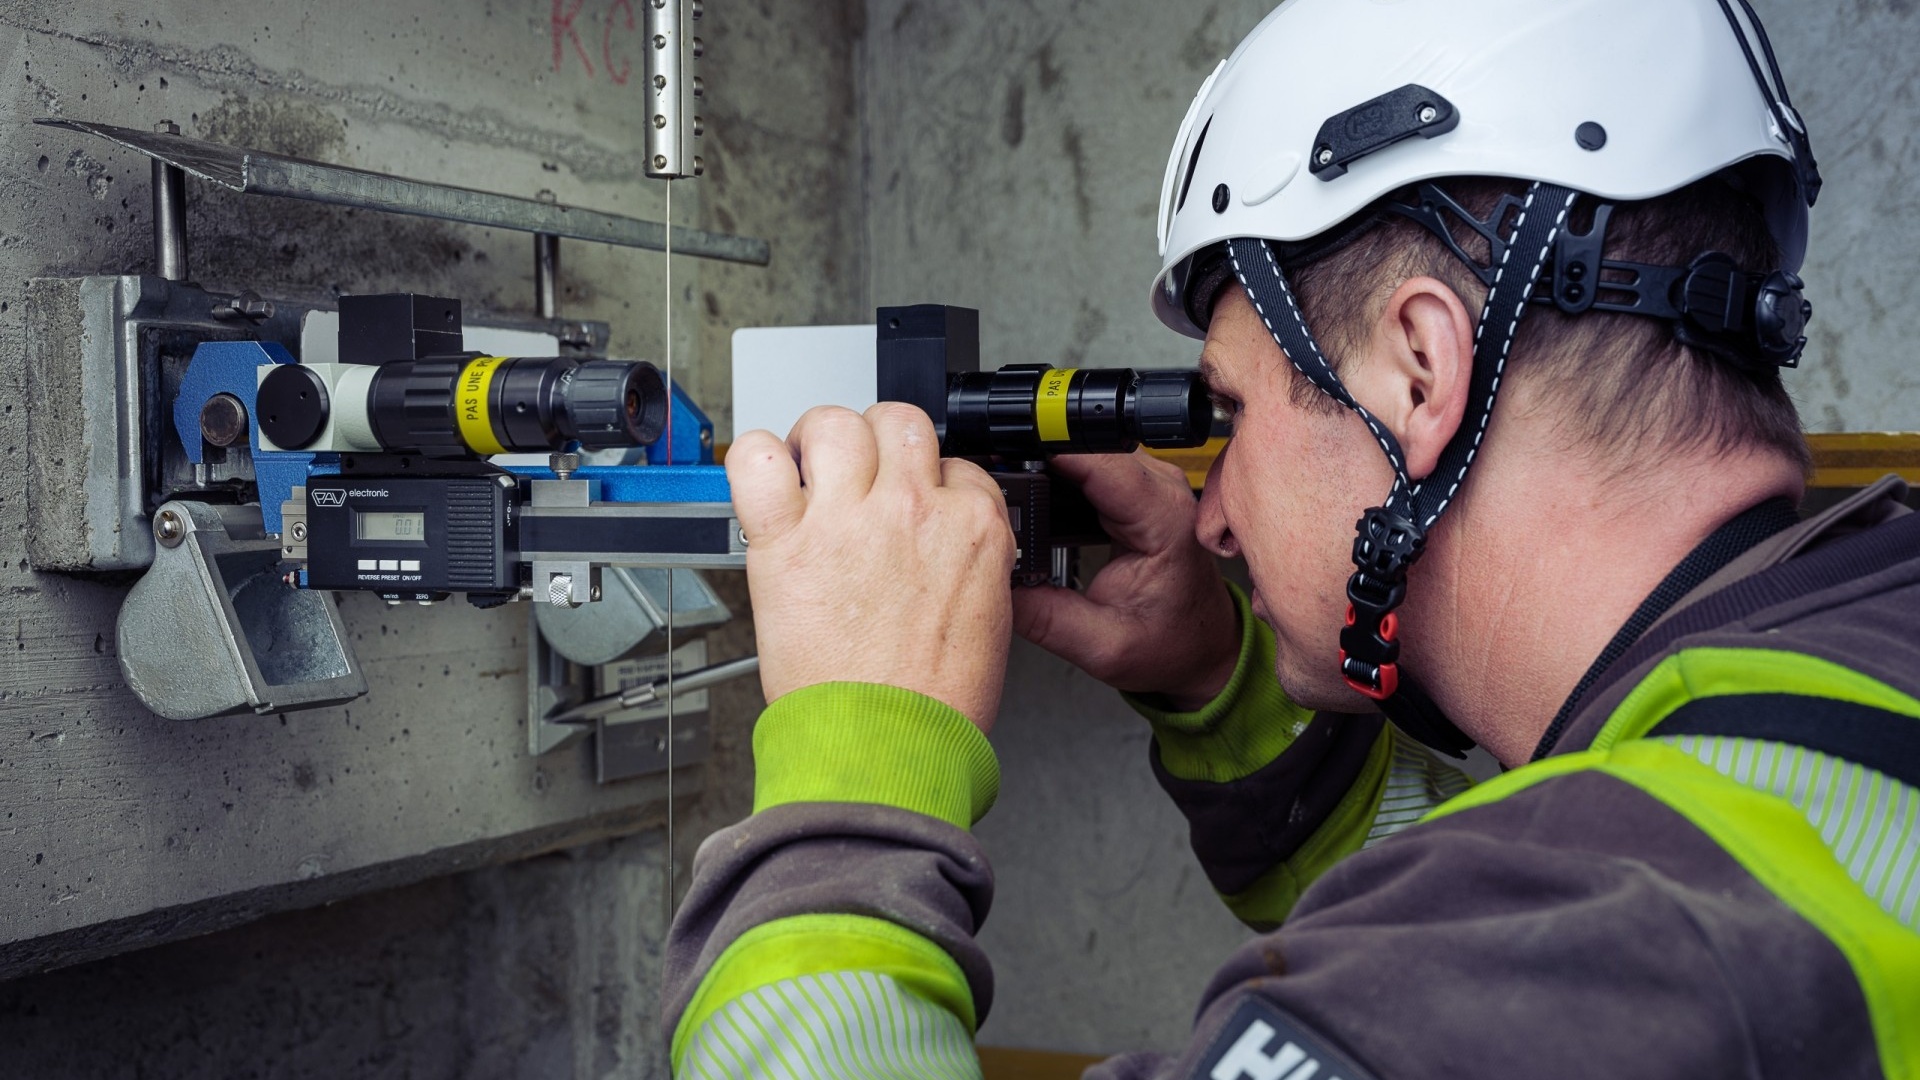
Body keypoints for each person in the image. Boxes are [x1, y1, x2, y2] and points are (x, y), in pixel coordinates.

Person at [662, 0, 1920, 1075]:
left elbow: (1510, 947)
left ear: (1421, 373)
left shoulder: (1635, 946)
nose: (1210, 510)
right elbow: (1511, 901)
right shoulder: (1840, 681)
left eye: (1238, 406)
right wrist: (1225, 683)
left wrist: (856, 768)